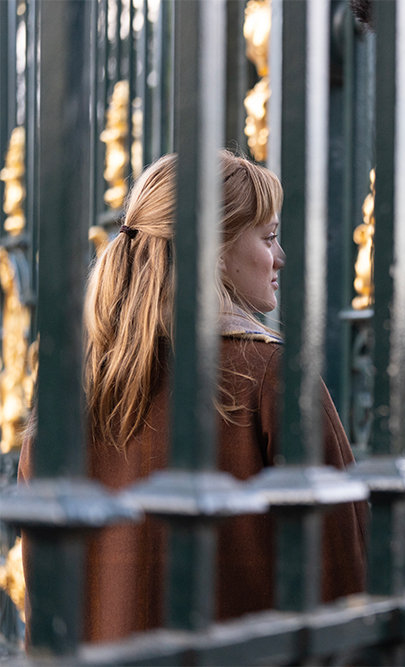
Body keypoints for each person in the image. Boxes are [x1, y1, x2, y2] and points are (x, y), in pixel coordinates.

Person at [18, 152, 367, 643]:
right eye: (268, 237)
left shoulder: (70, 391)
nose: (280, 257)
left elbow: (44, 600)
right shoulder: (272, 374)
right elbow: (344, 581)